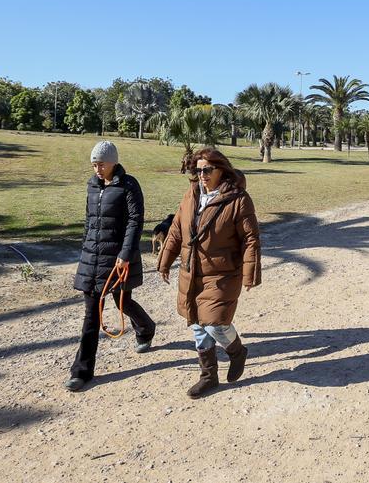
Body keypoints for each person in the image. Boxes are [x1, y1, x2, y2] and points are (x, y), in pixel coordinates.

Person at [157, 147, 261, 399]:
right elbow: (176, 230)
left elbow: (250, 238)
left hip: (222, 272)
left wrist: (250, 273)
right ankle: (208, 376)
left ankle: (236, 351)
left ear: (221, 170)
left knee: (215, 323)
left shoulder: (238, 199)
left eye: (207, 170)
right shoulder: (191, 195)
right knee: (196, 323)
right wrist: (165, 260)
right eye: (198, 170)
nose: (201, 174)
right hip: (192, 270)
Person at [66, 140, 155, 392]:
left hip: (119, 259)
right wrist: (85, 247)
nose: (97, 169)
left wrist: (126, 253)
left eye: (101, 164)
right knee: (91, 314)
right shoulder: (93, 185)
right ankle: (81, 372)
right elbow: (89, 221)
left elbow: (135, 221)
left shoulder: (128, 185)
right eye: (94, 164)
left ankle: (146, 328)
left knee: (122, 302)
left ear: (113, 162)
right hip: (92, 258)